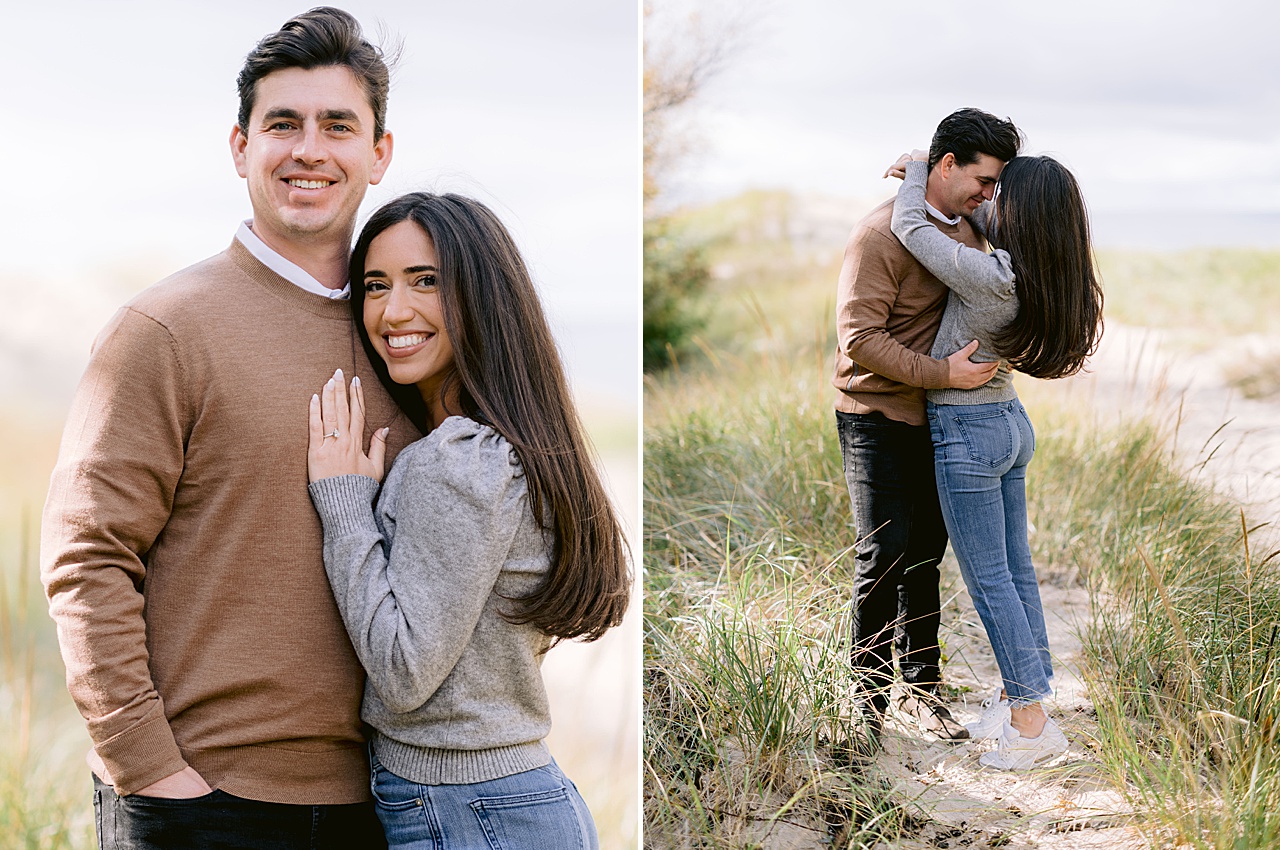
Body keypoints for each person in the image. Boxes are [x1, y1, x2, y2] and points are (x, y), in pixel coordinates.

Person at [41, 8, 414, 846]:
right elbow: (86, 557)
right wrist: (153, 774)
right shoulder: (164, 330)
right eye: (283, 124)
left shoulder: (409, 339)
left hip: (385, 807)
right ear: (241, 147)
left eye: (338, 126)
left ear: (379, 154)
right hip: (201, 805)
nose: (309, 149)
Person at [304, 192, 630, 848]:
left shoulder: (458, 461)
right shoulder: (512, 444)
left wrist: (344, 507)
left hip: (469, 811)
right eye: (375, 285)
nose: (394, 310)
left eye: (426, 281)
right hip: (505, 806)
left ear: (481, 296)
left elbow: (403, 672)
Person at [886, 149, 1103, 768]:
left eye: (999, 194)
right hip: (1009, 422)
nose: (989, 202)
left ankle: (1032, 726)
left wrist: (917, 171)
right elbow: (987, 236)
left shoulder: (994, 273)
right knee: (1016, 570)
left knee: (989, 580)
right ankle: (1020, 698)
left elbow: (911, 230)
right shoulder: (1045, 269)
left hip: (969, 429)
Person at [832, 108, 1021, 744]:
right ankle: (866, 702)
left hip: (944, 420)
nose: (988, 194)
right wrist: (942, 375)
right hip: (878, 415)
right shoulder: (879, 235)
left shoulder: (970, 227)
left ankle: (922, 689)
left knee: (926, 559)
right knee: (882, 556)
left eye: (996, 184)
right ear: (947, 165)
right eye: (983, 179)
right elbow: (858, 338)